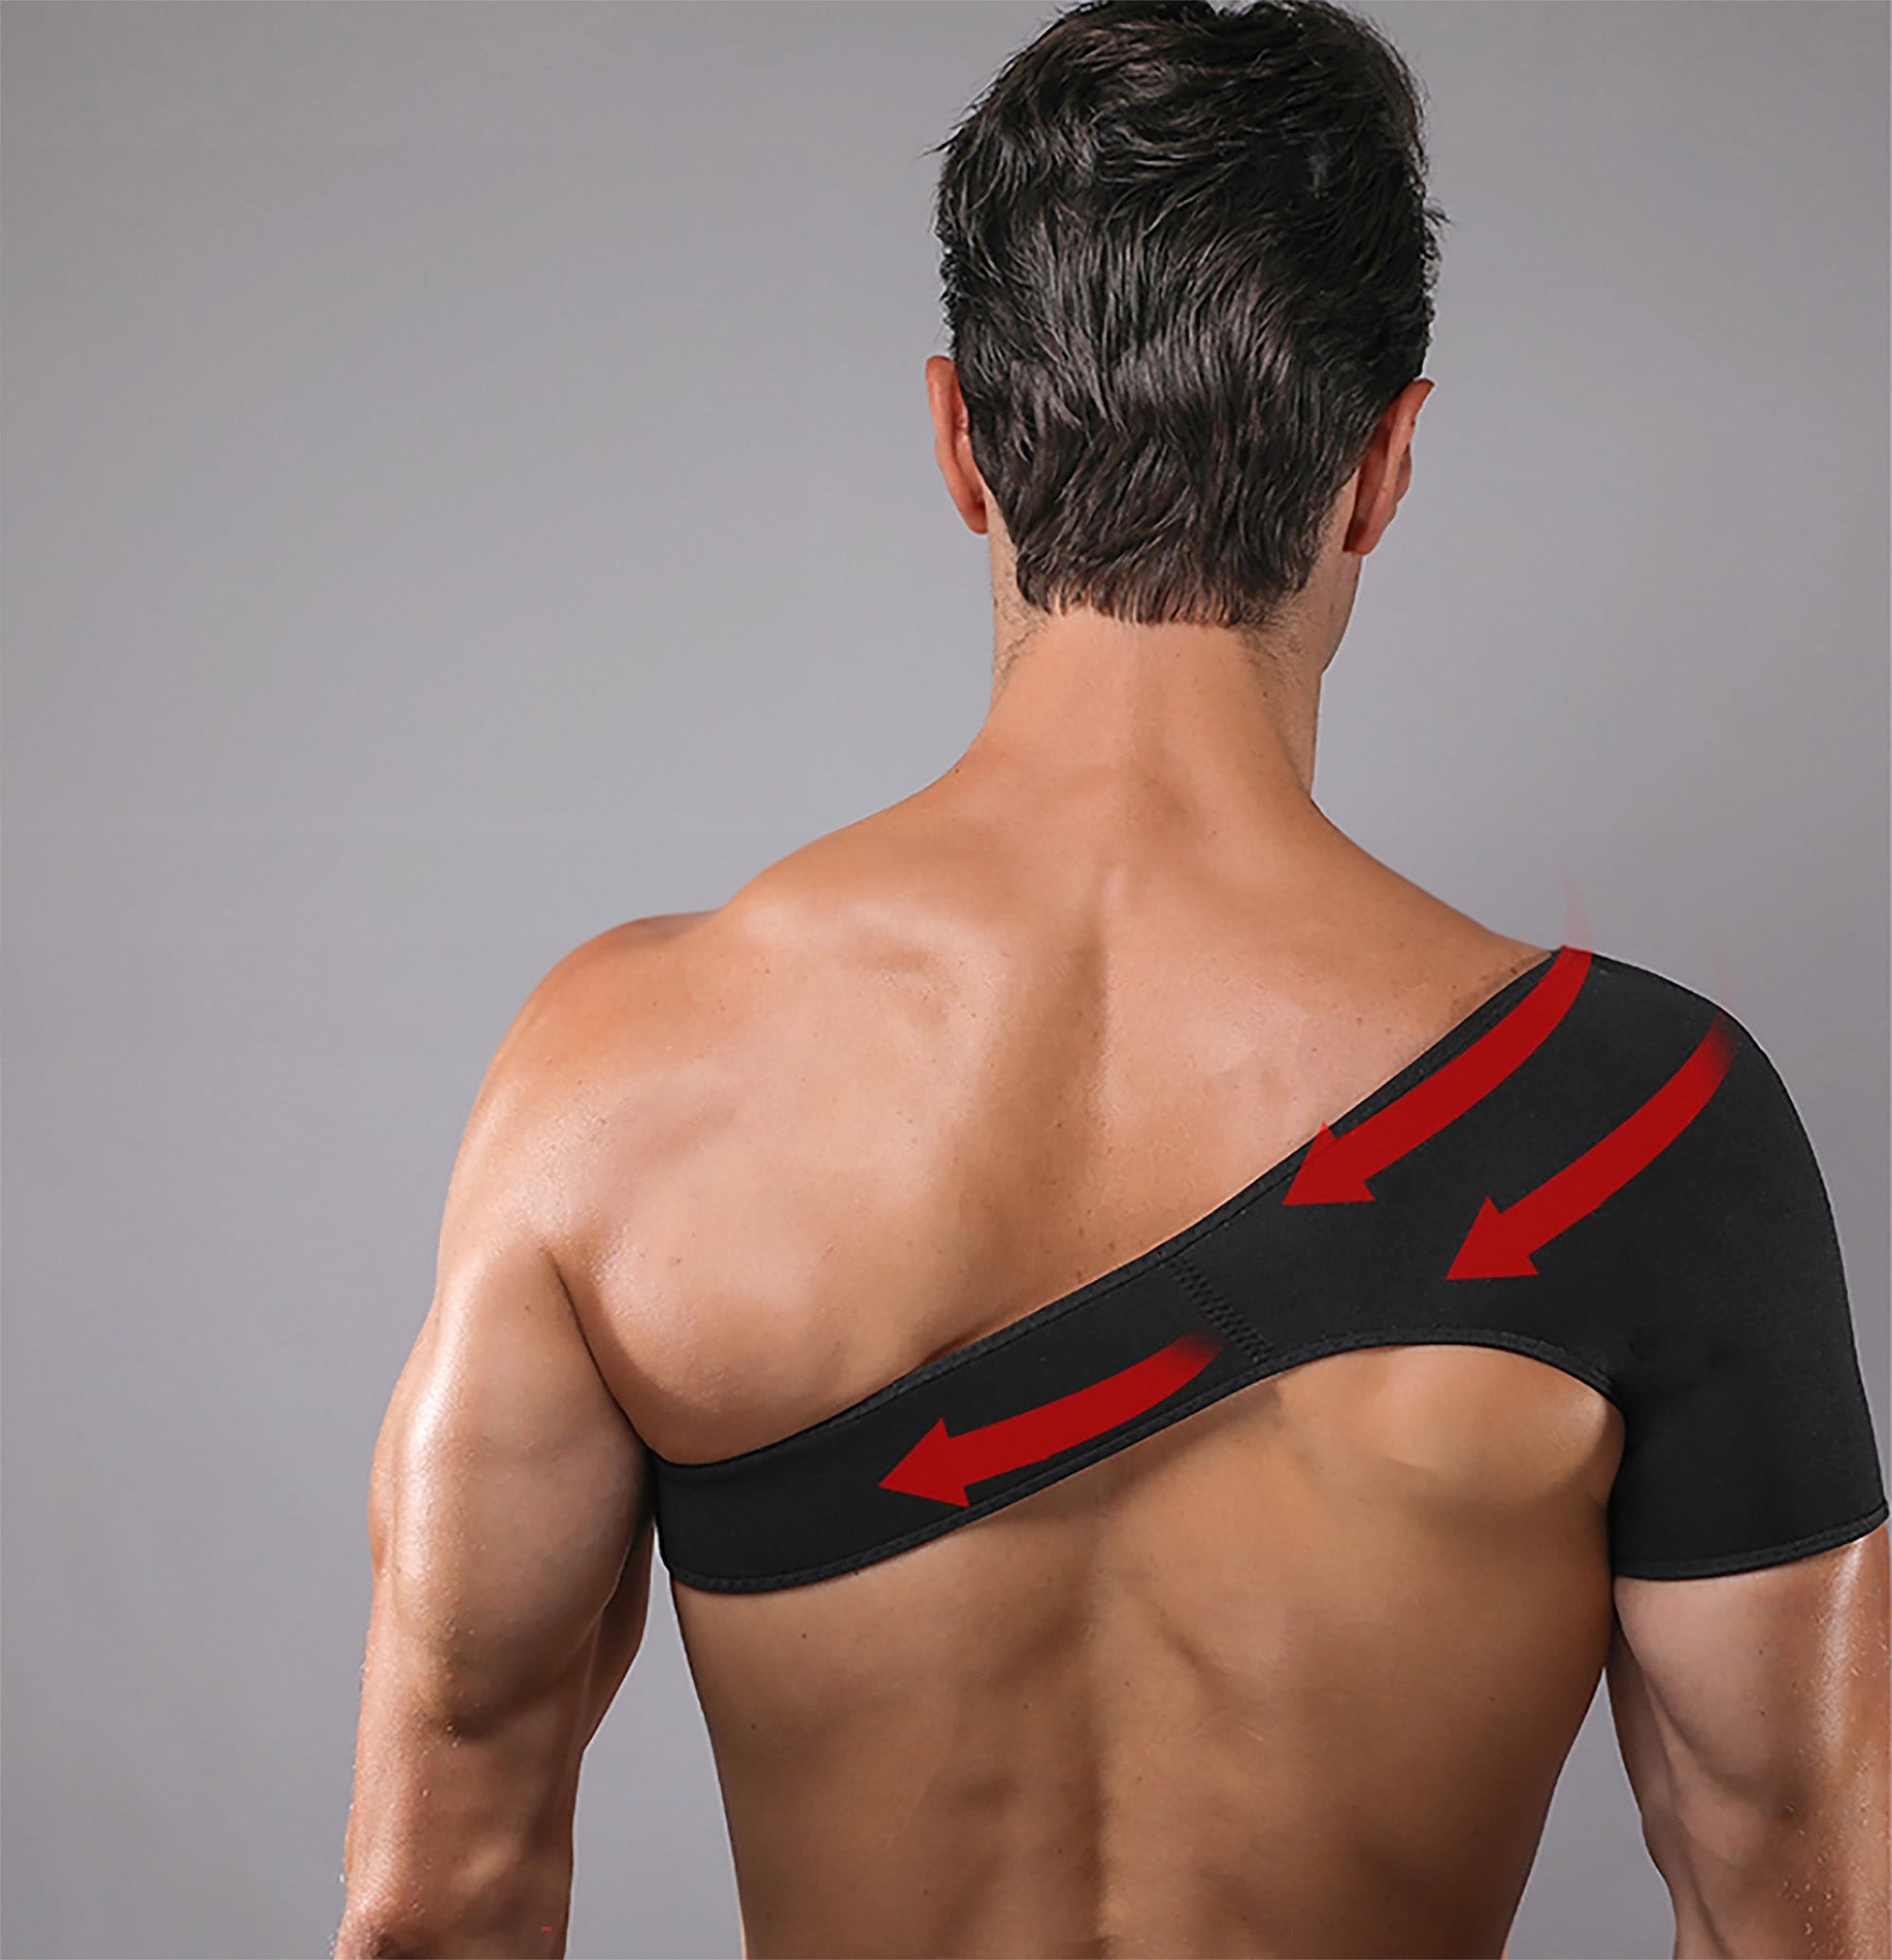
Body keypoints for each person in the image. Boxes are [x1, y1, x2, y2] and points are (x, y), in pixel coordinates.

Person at [333, 3, 1889, 1953]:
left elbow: (433, 1908)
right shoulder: (1650, 1132)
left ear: (959, 441)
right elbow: (1797, 1917)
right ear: (1383, 465)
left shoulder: (615, 1085)